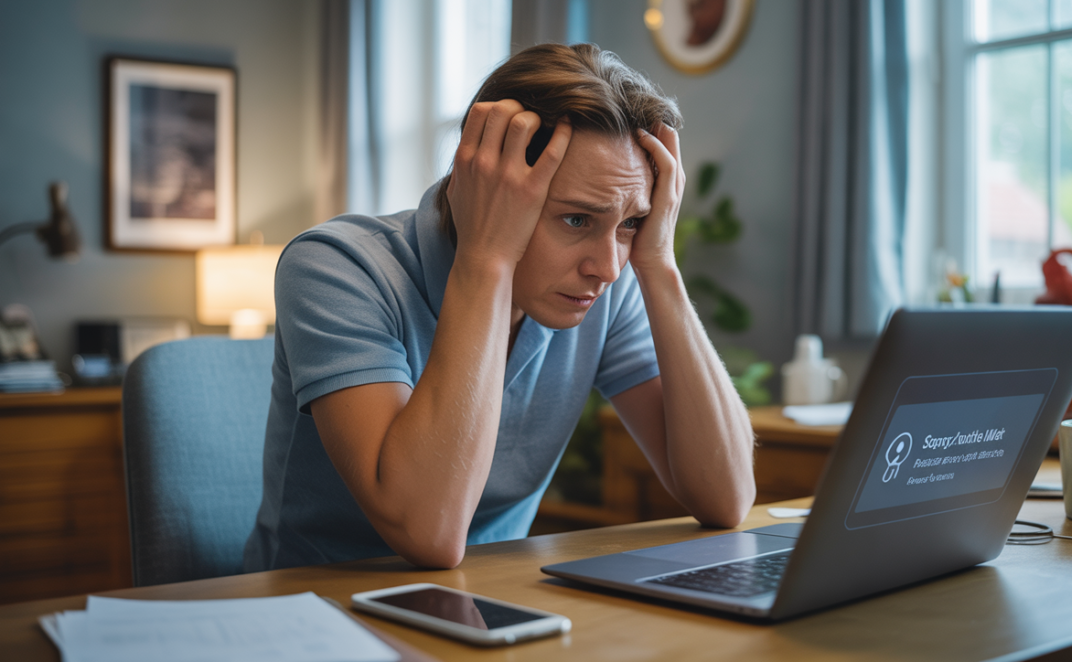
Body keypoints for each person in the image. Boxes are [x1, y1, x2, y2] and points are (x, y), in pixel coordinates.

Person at [244, 43, 755, 572]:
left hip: (495, 601)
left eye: (629, 223)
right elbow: (428, 533)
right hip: (318, 606)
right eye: (577, 220)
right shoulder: (336, 268)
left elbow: (726, 496)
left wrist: (661, 266)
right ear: (488, 184)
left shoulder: (608, 280)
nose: (606, 266)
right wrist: (486, 257)